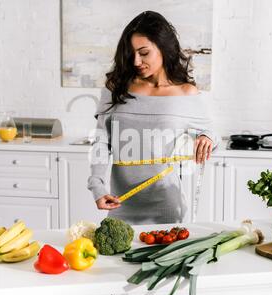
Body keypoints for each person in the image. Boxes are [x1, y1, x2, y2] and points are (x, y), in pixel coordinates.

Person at [87, 11, 218, 224]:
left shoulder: (185, 93)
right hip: (121, 206)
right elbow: (101, 141)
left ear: (163, 48)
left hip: (167, 207)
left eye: (144, 52)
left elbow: (212, 134)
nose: (136, 61)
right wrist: (97, 186)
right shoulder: (116, 88)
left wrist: (207, 138)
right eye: (132, 54)